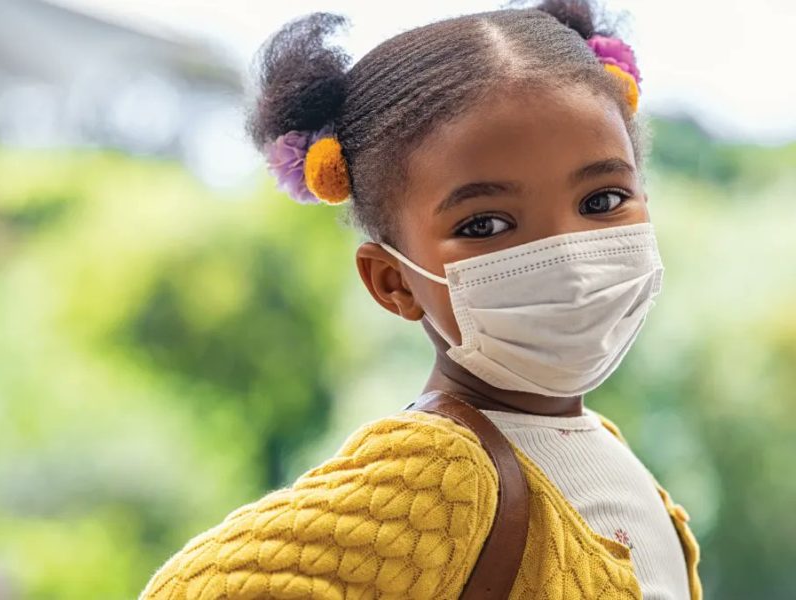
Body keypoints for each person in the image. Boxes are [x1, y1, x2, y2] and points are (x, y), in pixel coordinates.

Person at [139, 1, 703, 598]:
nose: (567, 257)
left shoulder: (598, 445)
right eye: (485, 224)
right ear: (393, 282)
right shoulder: (442, 474)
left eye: (603, 200)